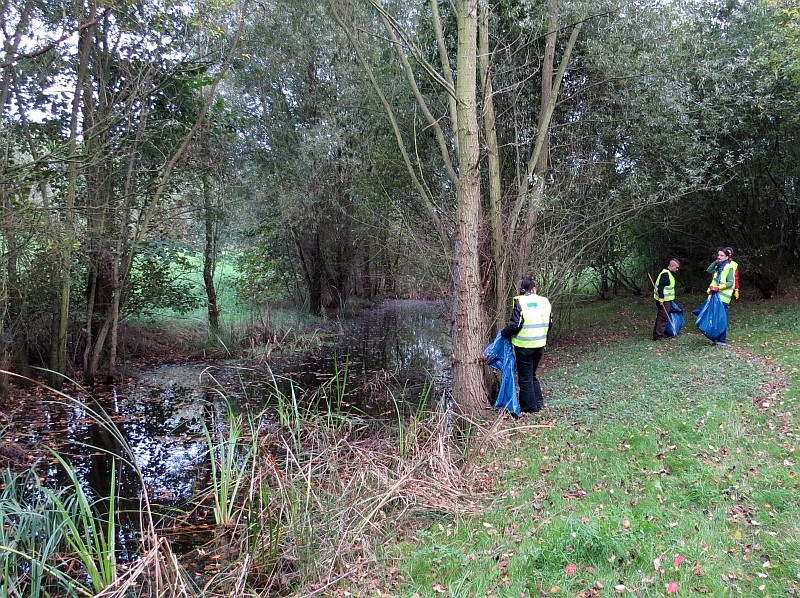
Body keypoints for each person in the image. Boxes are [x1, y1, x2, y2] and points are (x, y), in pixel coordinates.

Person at [500, 278, 552, 413]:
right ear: (534, 288)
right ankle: (538, 404)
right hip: (539, 344)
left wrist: (503, 334)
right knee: (532, 375)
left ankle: (529, 408)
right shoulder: (544, 302)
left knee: (525, 378)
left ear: (523, 289)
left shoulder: (521, 302)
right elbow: (550, 322)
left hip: (524, 346)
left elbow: (515, 326)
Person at [707, 247, 736, 346]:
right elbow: (709, 270)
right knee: (715, 318)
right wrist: (716, 261)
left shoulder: (729, 267)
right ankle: (717, 339)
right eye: (718, 255)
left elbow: (730, 283)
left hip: (723, 298)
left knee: (721, 319)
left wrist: (718, 288)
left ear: (727, 257)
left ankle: (722, 340)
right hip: (715, 296)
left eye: (721, 255)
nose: (719, 257)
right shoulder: (718, 266)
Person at [652, 258, 680, 340]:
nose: (677, 269)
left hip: (666, 300)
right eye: (676, 267)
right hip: (664, 301)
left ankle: (658, 334)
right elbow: (661, 286)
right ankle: (658, 336)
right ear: (672, 265)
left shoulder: (668, 273)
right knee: (663, 318)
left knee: (661, 317)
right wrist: (661, 298)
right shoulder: (665, 274)